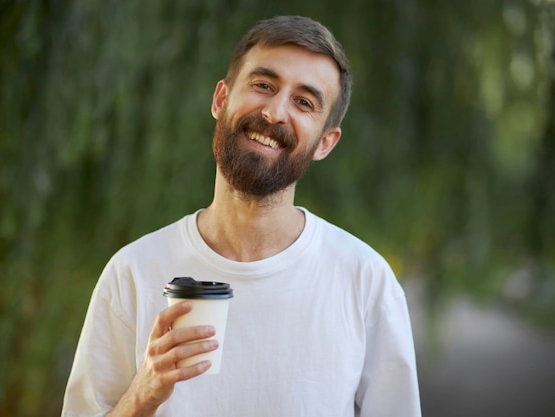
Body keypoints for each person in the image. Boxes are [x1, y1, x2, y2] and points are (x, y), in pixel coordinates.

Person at [61, 15, 421, 417]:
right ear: (220, 99)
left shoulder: (365, 281)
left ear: (325, 142)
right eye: (263, 85)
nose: (274, 112)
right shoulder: (133, 271)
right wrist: (141, 396)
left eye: (303, 102)